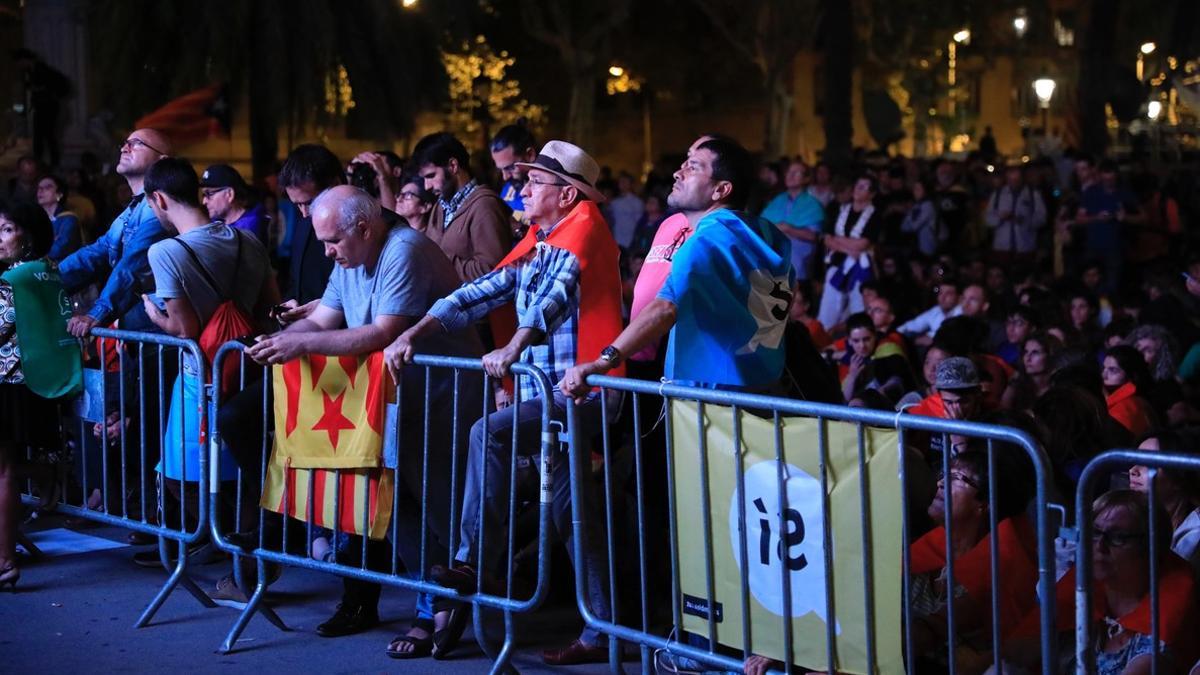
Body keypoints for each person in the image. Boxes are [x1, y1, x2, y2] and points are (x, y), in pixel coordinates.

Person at [387, 140, 625, 666]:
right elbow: (485, 288)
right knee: (570, 510)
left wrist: (512, 347)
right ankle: (602, 631)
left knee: (487, 432)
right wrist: (416, 332)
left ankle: (476, 561)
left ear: (566, 194)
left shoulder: (583, 225)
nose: (521, 189)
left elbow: (550, 299)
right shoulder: (543, 235)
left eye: (534, 182)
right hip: (559, 392)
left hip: (587, 392)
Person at [230, 185, 484, 642]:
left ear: (364, 229)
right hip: (391, 401)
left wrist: (300, 343)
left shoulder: (403, 250)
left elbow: (382, 333)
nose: (326, 253)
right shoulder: (349, 257)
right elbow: (324, 319)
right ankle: (430, 605)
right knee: (398, 503)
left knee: (441, 506)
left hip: (441, 396)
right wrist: (277, 342)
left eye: (332, 242)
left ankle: (463, 606)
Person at [563, 136, 793, 395]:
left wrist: (603, 362)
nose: (677, 173)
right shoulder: (766, 234)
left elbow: (665, 308)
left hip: (712, 397)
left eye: (693, 167)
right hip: (763, 389)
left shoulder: (708, 238)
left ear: (721, 190)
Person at [0, 198, 82, 590]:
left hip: (11, 383)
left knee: (4, 472)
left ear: (28, 235)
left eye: (5, 230)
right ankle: (47, 474)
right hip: (32, 383)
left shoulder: (14, 279)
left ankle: (4, 561)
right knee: (7, 471)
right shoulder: (45, 271)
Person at [58, 128, 173, 337]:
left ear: (161, 160)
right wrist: (47, 278)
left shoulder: (160, 207)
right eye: (125, 142)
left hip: (157, 327)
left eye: (136, 143)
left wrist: (96, 314)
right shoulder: (134, 208)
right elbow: (96, 252)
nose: (124, 148)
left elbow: (133, 265)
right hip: (139, 324)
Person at [412, 132, 512, 283]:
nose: (427, 186)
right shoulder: (440, 205)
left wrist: (437, 259)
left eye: (431, 176)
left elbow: (492, 270)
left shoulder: (485, 205)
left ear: (453, 166)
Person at [277, 144, 345, 319]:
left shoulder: (374, 225)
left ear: (335, 184)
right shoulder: (304, 224)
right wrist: (291, 306)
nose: (305, 213)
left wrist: (328, 308)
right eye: (297, 204)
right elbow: (296, 281)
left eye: (309, 202)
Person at [1127, 430, 1200, 572]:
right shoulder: (1128, 520)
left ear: (1179, 476)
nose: (1133, 470)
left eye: (1148, 463)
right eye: (1135, 460)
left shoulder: (1196, 535)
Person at [817, 175, 879, 332]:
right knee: (828, 306)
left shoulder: (874, 215)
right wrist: (848, 249)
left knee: (857, 308)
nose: (859, 188)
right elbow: (827, 239)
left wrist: (839, 242)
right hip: (837, 264)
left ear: (872, 194)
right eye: (858, 184)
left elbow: (863, 243)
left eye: (864, 186)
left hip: (860, 269)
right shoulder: (839, 209)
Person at [1076, 160, 1142, 292]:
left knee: (1111, 286)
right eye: (1105, 179)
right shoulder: (1091, 192)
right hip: (1093, 247)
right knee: (1089, 286)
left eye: (1111, 179)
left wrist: (1126, 217)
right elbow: (1079, 219)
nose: (1108, 182)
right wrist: (1096, 218)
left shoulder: (1124, 193)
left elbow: (1143, 218)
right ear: (1100, 176)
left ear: (1116, 176)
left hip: (1115, 249)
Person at [760, 159, 824, 280]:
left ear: (806, 179)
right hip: (773, 259)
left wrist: (788, 228)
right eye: (789, 172)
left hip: (799, 260)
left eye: (796, 173)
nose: (790, 176)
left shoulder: (813, 205)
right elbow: (761, 225)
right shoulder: (777, 200)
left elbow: (814, 236)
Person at [984, 165, 1046, 266]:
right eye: (1010, 180)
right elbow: (988, 219)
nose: (1013, 183)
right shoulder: (998, 195)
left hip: (1025, 246)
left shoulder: (1033, 195)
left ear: (1022, 179)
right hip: (1002, 247)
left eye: (1016, 180)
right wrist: (1001, 217)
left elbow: (1041, 218)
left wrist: (1025, 221)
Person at [199, 164, 271, 245]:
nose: (204, 201)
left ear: (230, 194)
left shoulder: (250, 227)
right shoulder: (216, 222)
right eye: (203, 195)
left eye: (209, 194)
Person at [489, 122, 538, 236]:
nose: (505, 177)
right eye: (501, 170)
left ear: (530, 155)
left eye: (510, 168)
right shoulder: (510, 186)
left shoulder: (549, 191)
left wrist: (519, 230)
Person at [1102, 345, 1159, 438]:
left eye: (1113, 370)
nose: (1104, 375)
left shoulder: (1127, 408)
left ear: (1131, 375)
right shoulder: (1123, 401)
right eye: (1103, 368)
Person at [1001, 332, 1062, 412]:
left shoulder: (1060, 388)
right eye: (1026, 352)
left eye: (1035, 353)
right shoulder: (1016, 383)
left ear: (1051, 356)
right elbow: (1003, 413)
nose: (1028, 358)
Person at [897, 280, 962, 346]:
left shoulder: (962, 312)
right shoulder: (937, 310)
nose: (942, 297)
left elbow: (945, 339)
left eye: (948, 294)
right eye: (940, 293)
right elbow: (913, 325)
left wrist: (919, 340)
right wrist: (895, 334)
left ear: (959, 297)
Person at [34, 174, 81, 261]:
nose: (41, 191)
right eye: (39, 188)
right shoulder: (35, 220)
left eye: (47, 187)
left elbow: (59, 250)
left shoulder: (69, 219)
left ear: (59, 194)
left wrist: (35, 252)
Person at [899, 177, 942, 258]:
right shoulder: (916, 206)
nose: (915, 192)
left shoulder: (928, 206)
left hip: (927, 249)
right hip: (917, 248)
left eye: (918, 189)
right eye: (914, 189)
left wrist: (909, 213)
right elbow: (903, 227)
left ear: (925, 191)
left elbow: (914, 226)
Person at [607, 171, 644, 251]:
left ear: (631, 184)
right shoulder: (614, 202)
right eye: (621, 182)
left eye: (625, 182)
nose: (622, 184)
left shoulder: (637, 202)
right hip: (616, 239)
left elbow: (639, 222)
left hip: (631, 240)